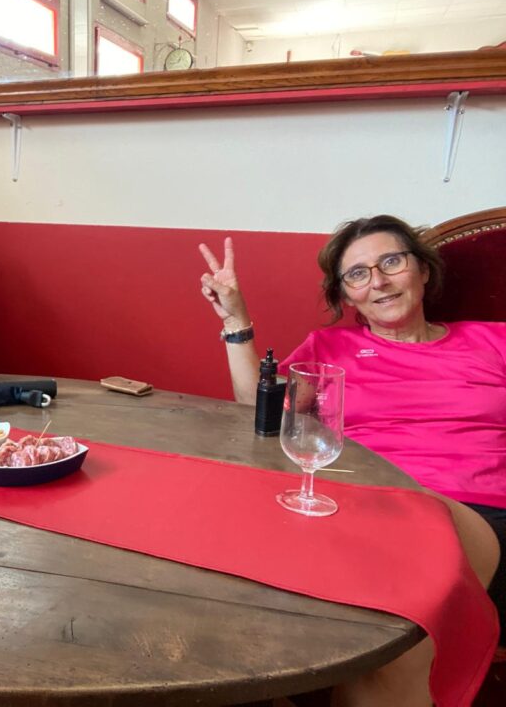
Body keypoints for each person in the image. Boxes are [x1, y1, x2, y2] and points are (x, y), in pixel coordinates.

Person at [199, 216, 503, 705]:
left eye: (391, 262)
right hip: (361, 506)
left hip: (478, 511)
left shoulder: (494, 341)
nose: (378, 281)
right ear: (346, 295)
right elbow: (261, 415)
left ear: (424, 270)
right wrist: (236, 322)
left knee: (395, 625)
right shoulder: (329, 349)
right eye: (358, 274)